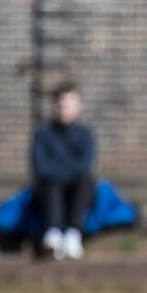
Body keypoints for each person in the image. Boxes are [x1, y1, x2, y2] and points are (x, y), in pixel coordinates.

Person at [30, 83, 96, 260]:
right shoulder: (43, 133)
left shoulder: (85, 134)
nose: (64, 108)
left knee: (84, 181)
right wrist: (66, 171)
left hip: (77, 189)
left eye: (69, 103)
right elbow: (39, 167)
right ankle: (53, 234)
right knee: (51, 183)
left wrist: (59, 170)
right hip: (49, 189)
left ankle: (73, 235)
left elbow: (85, 165)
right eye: (61, 103)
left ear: (78, 106)